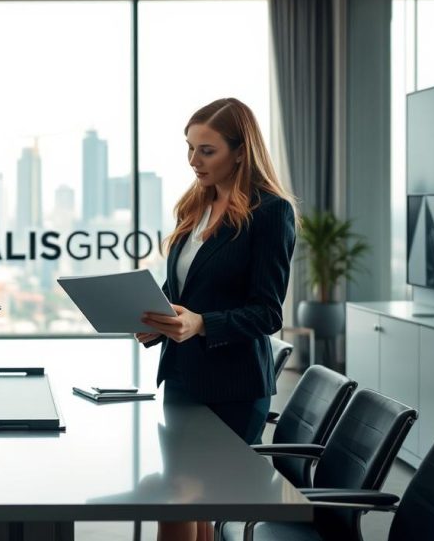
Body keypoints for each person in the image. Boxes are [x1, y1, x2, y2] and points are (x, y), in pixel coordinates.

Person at [136, 98, 296, 541]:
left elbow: (267, 312)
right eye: (189, 148)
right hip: (182, 376)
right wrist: (155, 318)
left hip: (232, 387)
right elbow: (184, 291)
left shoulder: (270, 213)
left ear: (240, 151)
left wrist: (201, 323)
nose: (193, 161)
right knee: (183, 504)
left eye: (207, 151)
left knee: (182, 501)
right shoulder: (196, 205)